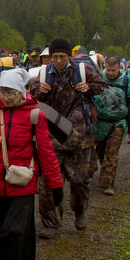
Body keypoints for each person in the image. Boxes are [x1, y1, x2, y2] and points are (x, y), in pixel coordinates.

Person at [0, 69, 62, 260]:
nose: (6, 97)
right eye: (3, 92)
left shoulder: (35, 115)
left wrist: (55, 184)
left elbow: (46, 152)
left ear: (21, 92)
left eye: (10, 92)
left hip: (23, 183)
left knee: (16, 231)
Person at [30, 38, 104, 233]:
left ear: (69, 56)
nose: (58, 60)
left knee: (80, 181)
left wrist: (88, 88)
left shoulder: (82, 71)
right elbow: (32, 95)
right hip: (52, 135)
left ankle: (79, 210)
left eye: (61, 56)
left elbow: (102, 86)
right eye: (54, 57)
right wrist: (39, 90)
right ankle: (51, 223)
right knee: (47, 183)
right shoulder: (44, 73)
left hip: (80, 135)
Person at [94, 56, 130, 196]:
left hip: (118, 123)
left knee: (112, 152)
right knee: (101, 151)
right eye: (107, 70)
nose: (110, 73)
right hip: (100, 122)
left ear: (120, 68)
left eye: (113, 70)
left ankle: (109, 183)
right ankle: (106, 173)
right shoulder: (98, 79)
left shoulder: (128, 83)